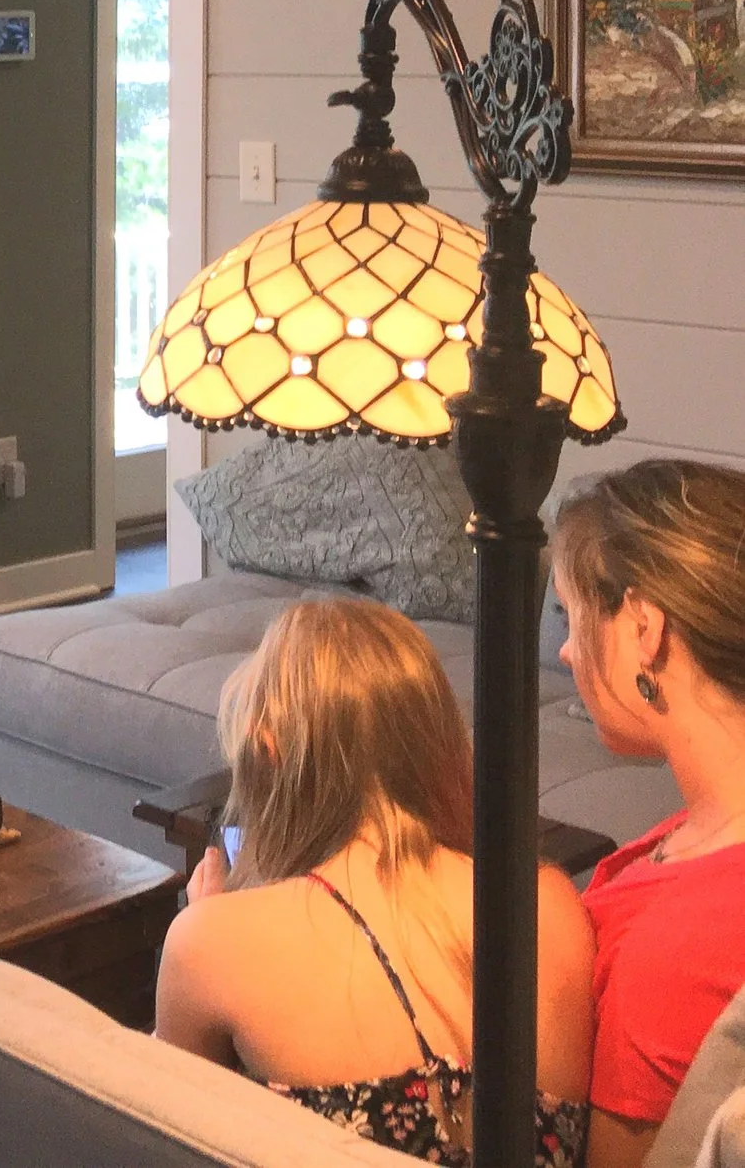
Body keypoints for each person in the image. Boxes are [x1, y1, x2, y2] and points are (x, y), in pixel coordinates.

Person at [157, 597, 592, 1166]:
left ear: (269, 755)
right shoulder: (549, 903)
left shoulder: (211, 943)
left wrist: (209, 920)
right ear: (439, 743)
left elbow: (161, 1136)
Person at [553, 461, 745, 1168]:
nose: (569, 650)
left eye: (569, 617)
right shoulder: (705, 834)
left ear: (644, 628)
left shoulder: (671, 955)